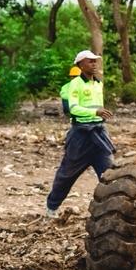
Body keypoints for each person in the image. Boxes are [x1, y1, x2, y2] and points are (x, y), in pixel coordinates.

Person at [45, 50, 115, 218]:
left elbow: (97, 106)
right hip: (81, 135)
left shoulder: (98, 83)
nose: (94, 63)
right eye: (90, 61)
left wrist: (99, 115)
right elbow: (73, 109)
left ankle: (111, 211)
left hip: (99, 134)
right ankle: (52, 207)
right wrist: (95, 113)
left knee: (109, 175)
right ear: (80, 65)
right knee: (67, 174)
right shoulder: (75, 84)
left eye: (95, 61)